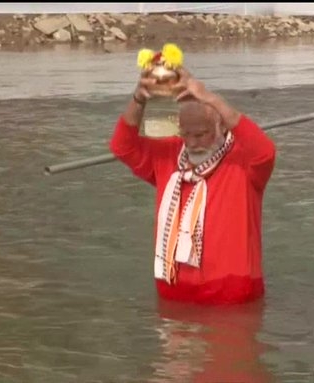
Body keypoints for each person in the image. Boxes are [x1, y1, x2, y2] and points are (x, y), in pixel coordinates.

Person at [109, 66, 276, 305]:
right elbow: (122, 146)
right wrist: (139, 98)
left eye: (201, 134)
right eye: (185, 134)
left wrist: (210, 98)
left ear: (222, 128)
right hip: (174, 290)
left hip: (231, 291)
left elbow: (265, 152)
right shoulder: (169, 156)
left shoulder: (244, 162)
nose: (192, 143)